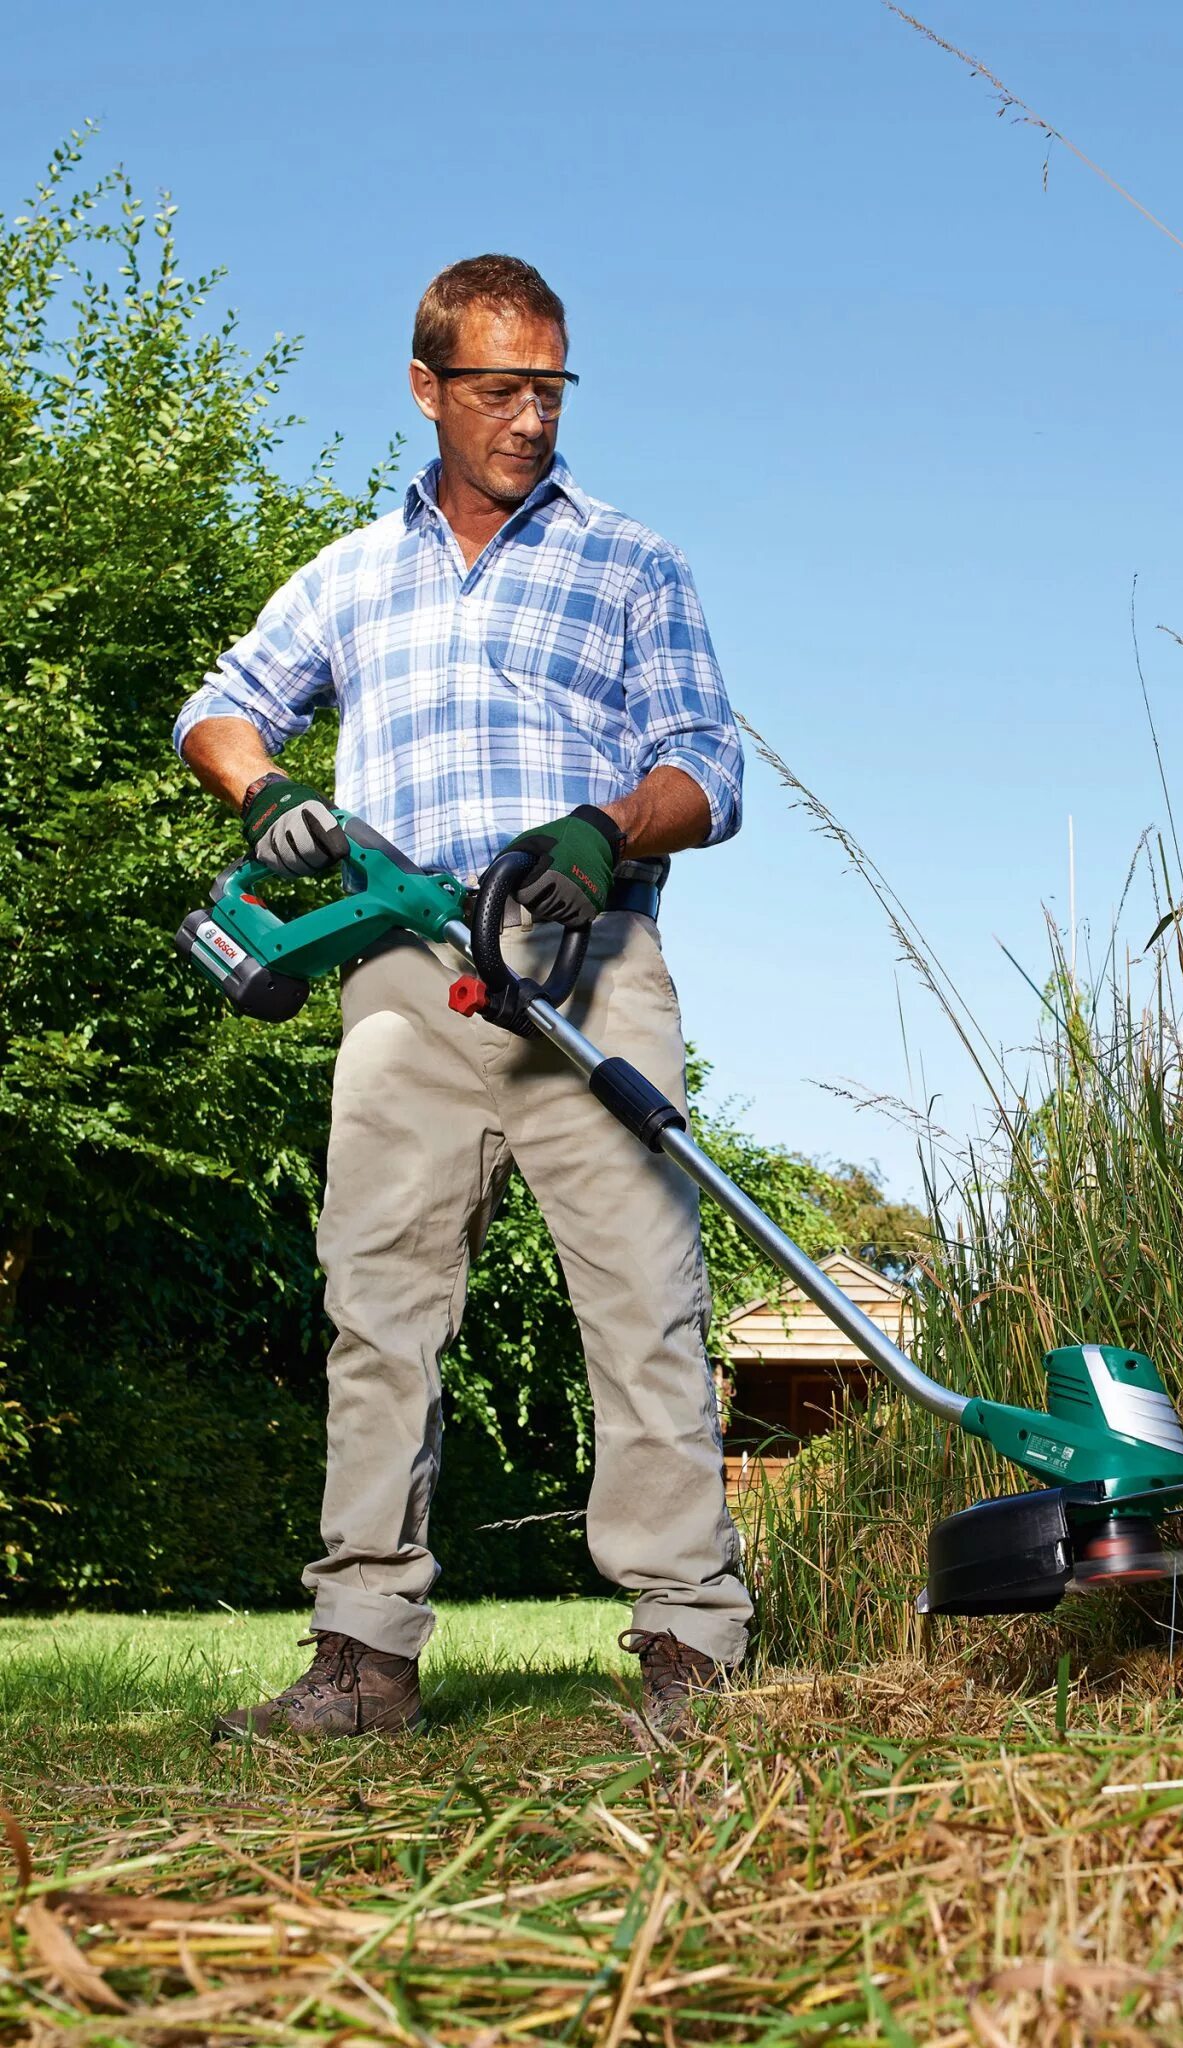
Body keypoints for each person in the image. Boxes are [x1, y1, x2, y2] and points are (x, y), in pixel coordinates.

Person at [175, 254, 749, 1738]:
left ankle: (693, 1650)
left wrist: (606, 828)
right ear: (427, 389)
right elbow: (219, 707)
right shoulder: (353, 574)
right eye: (499, 388)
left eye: (550, 389)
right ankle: (362, 1656)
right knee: (379, 1307)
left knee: (642, 1306)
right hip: (402, 981)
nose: (530, 417)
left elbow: (709, 765)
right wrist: (269, 795)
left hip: (587, 964)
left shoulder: (631, 561)